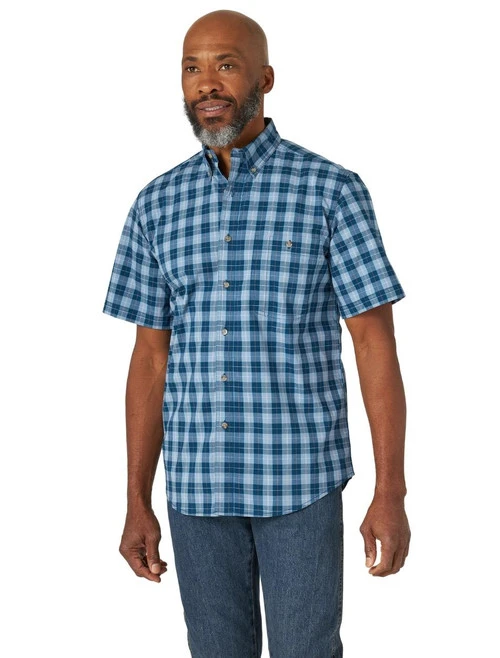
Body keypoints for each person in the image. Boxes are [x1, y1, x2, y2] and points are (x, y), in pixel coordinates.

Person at [102, 9, 411, 658]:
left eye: (226, 65)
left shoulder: (331, 191)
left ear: (265, 79)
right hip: (196, 488)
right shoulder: (156, 204)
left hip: (300, 481)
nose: (207, 83)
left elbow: (373, 343)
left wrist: (391, 490)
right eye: (192, 68)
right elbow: (150, 359)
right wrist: (135, 497)